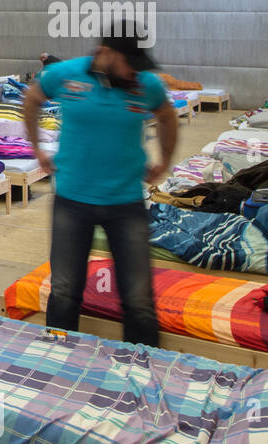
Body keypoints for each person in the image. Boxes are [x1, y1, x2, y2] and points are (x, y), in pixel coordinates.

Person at [23, 21, 176, 347]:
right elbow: (32, 100)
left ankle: (143, 366)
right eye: (128, 63)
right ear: (106, 53)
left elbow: (167, 116)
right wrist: (38, 149)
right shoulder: (65, 74)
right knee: (64, 291)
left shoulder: (144, 83)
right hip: (71, 201)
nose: (133, 72)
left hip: (126, 203)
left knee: (137, 297)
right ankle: (58, 358)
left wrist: (164, 159)